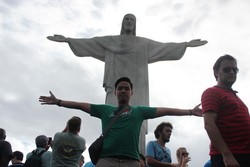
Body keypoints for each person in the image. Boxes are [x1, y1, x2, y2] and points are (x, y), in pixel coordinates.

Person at [47, 13, 207, 154]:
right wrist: (68, 40)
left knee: (138, 121)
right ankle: (111, 150)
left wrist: (184, 44)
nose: (129, 21)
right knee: (112, 118)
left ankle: (138, 155)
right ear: (123, 23)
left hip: (139, 87)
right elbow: (92, 43)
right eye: (126, 19)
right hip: (114, 85)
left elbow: (163, 47)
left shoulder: (143, 44)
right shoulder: (111, 41)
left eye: (132, 19)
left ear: (135, 23)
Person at [39, 77, 202, 167]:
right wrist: (59, 102)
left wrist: (189, 112)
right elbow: (81, 105)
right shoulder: (104, 110)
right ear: (116, 92)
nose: (123, 90)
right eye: (120, 88)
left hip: (131, 161)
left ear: (131, 92)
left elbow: (165, 110)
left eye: (126, 88)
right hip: (106, 160)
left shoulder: (139, 111)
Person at [201, 54, 250, 167]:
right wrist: (227, 156)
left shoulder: (235, 96)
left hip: (244, 154)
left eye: (235, 69)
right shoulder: (211, 92)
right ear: (217, 72)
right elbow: (209, 124)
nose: (232, 72)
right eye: (227, 69)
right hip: (230, 157)